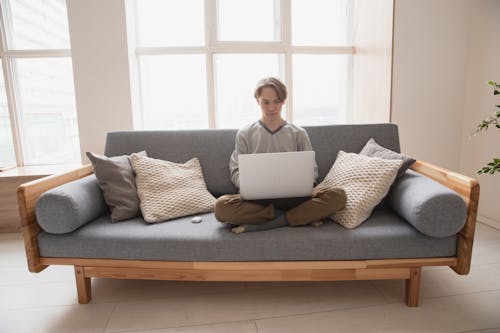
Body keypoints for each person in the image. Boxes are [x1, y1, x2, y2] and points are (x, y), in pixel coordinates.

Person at [215, 77, 346, 233]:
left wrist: (302, 183)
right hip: (257, 202)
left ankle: (273, 221)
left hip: (296, 199)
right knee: (221, 207)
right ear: (257, 101)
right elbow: (236, 170)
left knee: (338, 195)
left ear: (283, 101)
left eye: (276, 102)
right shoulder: (245, 133)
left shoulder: (298, 133)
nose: (271, 108)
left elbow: (312, 171)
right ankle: (296, 217)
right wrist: (249, 186)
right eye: (266, 102)